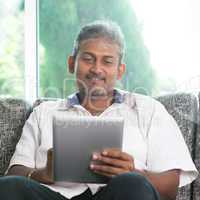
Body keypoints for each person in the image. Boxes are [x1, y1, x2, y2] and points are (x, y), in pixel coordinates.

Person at [0, 20, 198, 200]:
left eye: (107, 61)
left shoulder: (149, 110)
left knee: (133, 183)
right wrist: (41, 173)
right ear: (72, 63)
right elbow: (14, 173)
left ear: (120, 70)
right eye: (88, 59)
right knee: (8, 187)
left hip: (120, 195)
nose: (97, 69)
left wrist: (134, 173)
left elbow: (170, 187)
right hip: (55, 196)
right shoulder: (43, 113)